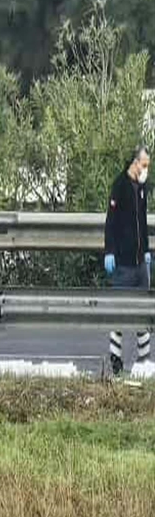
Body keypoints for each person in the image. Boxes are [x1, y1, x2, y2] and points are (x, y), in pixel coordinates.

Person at [103, 146, 151, 374]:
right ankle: (115, 360)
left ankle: (144, 361)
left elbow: (143, 220)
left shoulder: (142, 188)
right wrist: (109, 251)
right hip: (123, 261)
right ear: (134, 163)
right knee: (119, 313)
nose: (146, 169)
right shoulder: (120, 185)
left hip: (140, 261)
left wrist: (148, 250)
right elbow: (110, 221)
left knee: (143, 313)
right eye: (143, 164)